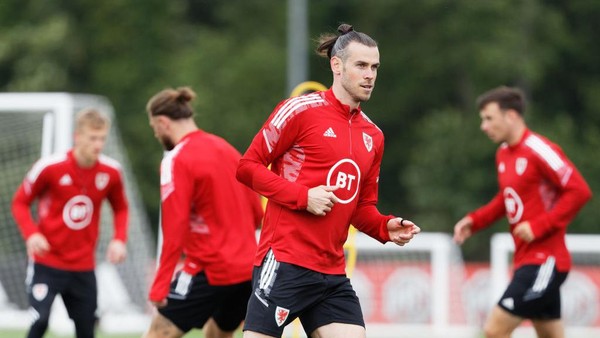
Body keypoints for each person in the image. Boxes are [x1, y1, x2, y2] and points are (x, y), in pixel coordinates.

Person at [236, 23, 421, 338]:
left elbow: (360, 208)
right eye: (361, 65)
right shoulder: (299, 110)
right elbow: (247, 167)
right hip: (284, 261)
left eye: (375, 67)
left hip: (331, 272)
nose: (370, 75)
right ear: (336, 65)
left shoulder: (373, 136)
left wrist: (385, 227)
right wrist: (303, 197)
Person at [453, 86, 592, 338]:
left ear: (512, 116)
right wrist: (475, 221)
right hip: (526, 260)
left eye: (489, 118)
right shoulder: (503, 154)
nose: (484, 126)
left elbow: (579, 190)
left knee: (494, 331)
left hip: (545, 261)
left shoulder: (538, 149)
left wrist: (540, 225)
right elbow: (507, 199)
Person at [143, 87, 263, 338]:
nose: (155, 134)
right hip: (247, 270)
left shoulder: (176, 159)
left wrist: (160, 284)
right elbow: (257, 213)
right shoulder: (227, 149)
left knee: (157, 334)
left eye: (154, 128)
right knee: (218, 335)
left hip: (209, 269)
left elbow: (174, 230)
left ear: (163, 122)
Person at [11, 108, 129, 338]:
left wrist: (119, 239)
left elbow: (121, 208)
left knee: (86, 329)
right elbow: (19, 203)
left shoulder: (111, 172)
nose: (98, 144)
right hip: (47, 262)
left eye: (102, 138)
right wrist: (31, 233)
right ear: (78, 137)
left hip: (83, 266)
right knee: (40, 321)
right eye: (92, 138)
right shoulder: (50, 167)